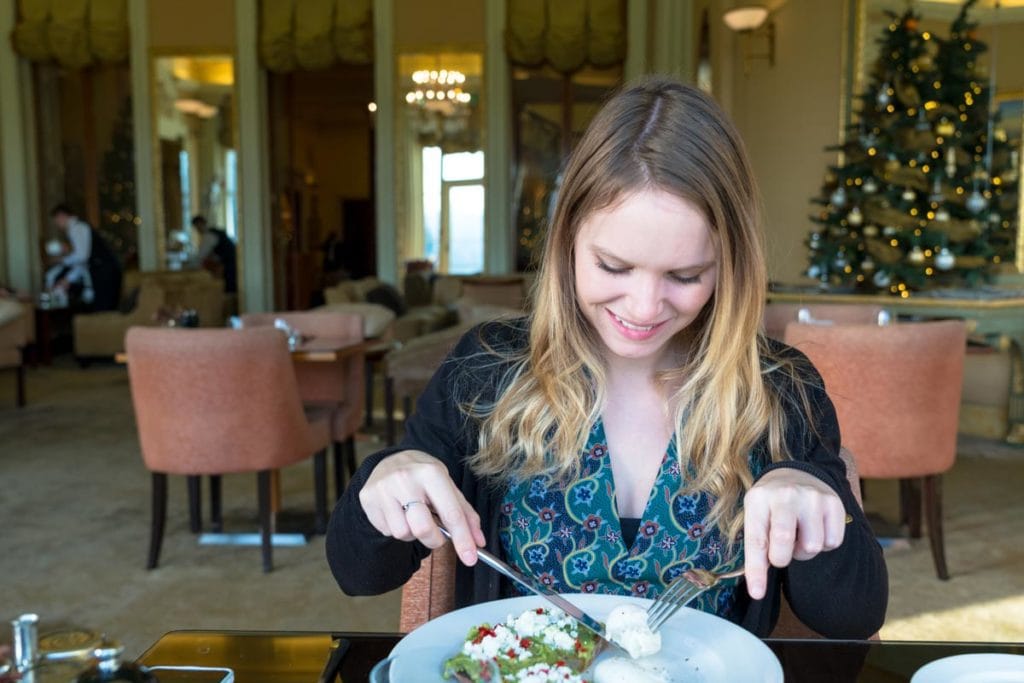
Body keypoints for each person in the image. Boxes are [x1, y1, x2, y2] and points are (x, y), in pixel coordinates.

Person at [326, 77, 888, 638]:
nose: (643, 308)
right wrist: (388, 473)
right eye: (613, 267)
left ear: (729, 266)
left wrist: (814, 489)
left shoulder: (777, 386)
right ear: (566, 239)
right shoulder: (488, 370)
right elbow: (360, 572)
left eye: (685, 276)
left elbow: (850, 615)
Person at [47, 204, 122, 312]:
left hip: (105, 272)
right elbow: (83, 261)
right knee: (103, 309)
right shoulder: (77, 228)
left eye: (57, 221)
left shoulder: (77, 228)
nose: (57, 225)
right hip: (103, 271)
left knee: (104, 311)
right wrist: (68, 279)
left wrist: (62, 261)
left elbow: (82, 256)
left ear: (61, 216)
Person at [190, 215, 237, 293]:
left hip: (229, 265)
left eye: (198, 226)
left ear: (202, 224)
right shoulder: (213, 233)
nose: (197, 229)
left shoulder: (209, 236)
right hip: (229, 263)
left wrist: (192, 267)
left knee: (229, 289)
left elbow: (201, 255)